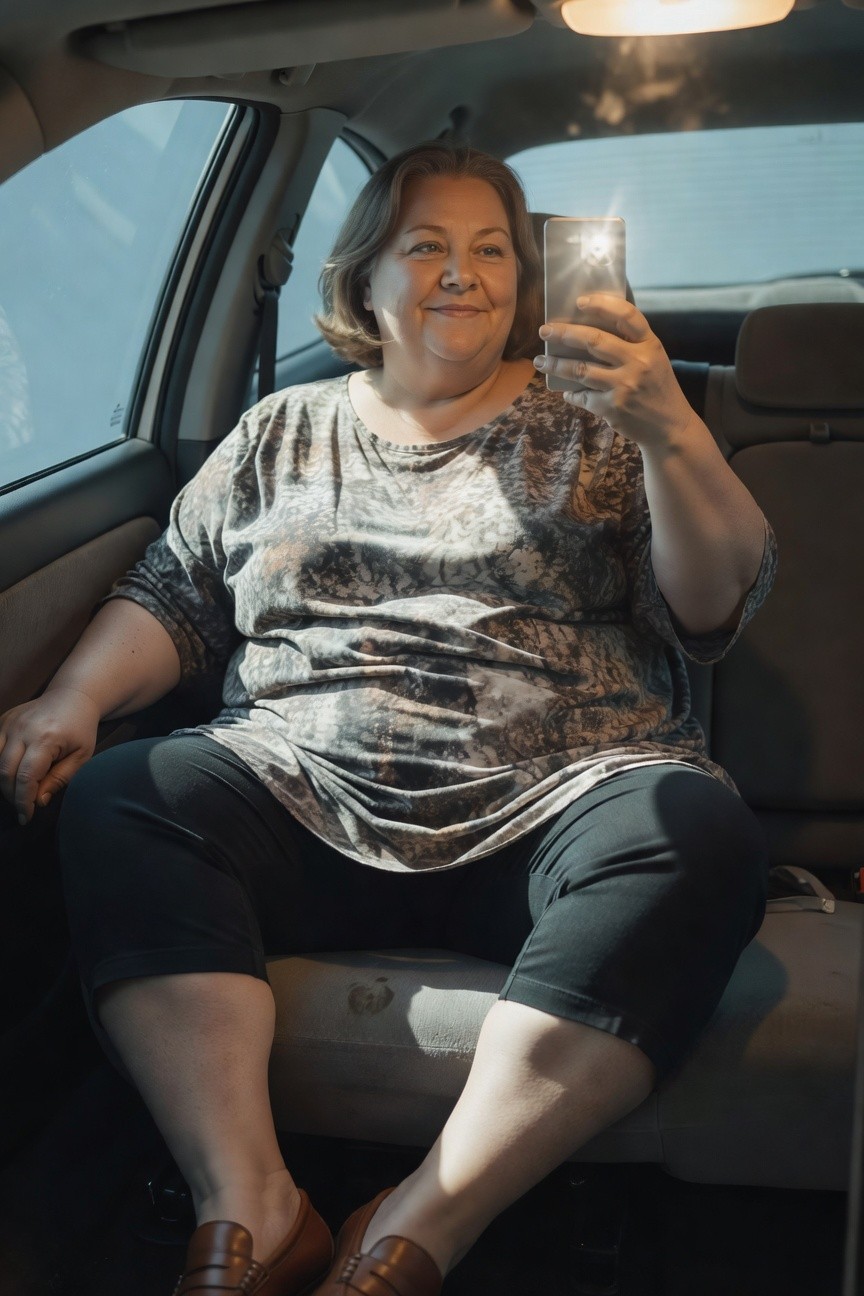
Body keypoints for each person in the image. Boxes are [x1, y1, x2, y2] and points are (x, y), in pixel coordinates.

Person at [0, 141, 777, 1296]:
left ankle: (419, 1224)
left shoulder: (598, 423)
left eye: (491, 249)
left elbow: (713, 603)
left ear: (525, 278)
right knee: (126, 790)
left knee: (694, 831)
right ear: (364, 279)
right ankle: (251, 1203)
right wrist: (73, 696)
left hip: (553, 806)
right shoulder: (280, 429)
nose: (462, 274)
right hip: (296, 794)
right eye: (427, 246)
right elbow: (174, 593)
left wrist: (666, 424)